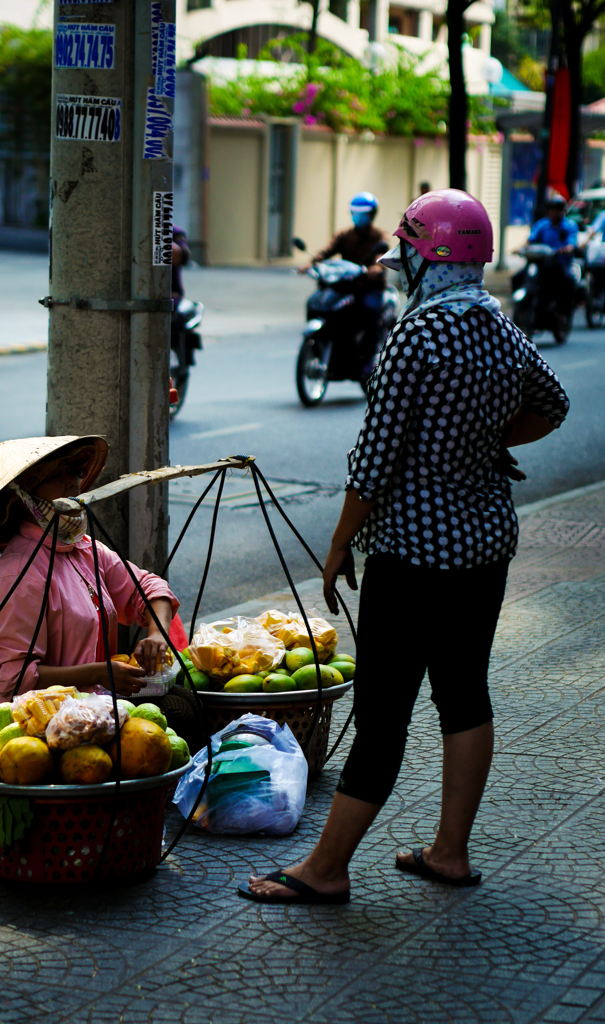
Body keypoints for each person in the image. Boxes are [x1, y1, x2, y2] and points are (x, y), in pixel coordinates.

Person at [241, 189, 570, 905]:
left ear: (428, 259)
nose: (399, 271)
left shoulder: (413, 338)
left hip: (413, 555)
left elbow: (374, 460)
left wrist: (336, 545)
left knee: (384, 710)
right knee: (463, 691)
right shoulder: (502, 329)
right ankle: (448, 853)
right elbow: (552, 406)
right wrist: (482, 443)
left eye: (408, 257)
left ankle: (323, 870)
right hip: (482, 545)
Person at [0, 435, 184, 726]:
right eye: (56, 476)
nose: (72, 483)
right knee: (176, 715)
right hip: (40, 725)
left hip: (94, 708)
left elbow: (148, 588)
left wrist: (157, 634)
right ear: (25, 497)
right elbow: (14, 678)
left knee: (183, 704)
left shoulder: (84, 549)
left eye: (73, 472)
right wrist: (99, 672)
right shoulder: (18, 575)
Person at [300, 192, 388, 373]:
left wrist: (374, 270)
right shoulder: (345, 235)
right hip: (345, 286)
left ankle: (369, 360)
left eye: (362, 214)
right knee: (316, 302)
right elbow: (327, 249)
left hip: (368, 287)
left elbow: (381, 259)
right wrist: (313, 262)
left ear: (371, 215)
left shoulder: (379, 237)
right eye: (354, 213)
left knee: (370, 311)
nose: (358, 218)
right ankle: (321, 346)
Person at [527, 195, 579, 318]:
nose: (555, 212)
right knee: (518, 277)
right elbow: (530, 240)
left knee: (566, 282)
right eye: (552, 209)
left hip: (560, 264)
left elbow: (572, 244)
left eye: (558, 209)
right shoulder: (542, 224)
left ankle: (562, 312)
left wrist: (566, 249)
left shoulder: (569, 226)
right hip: (541, 263)